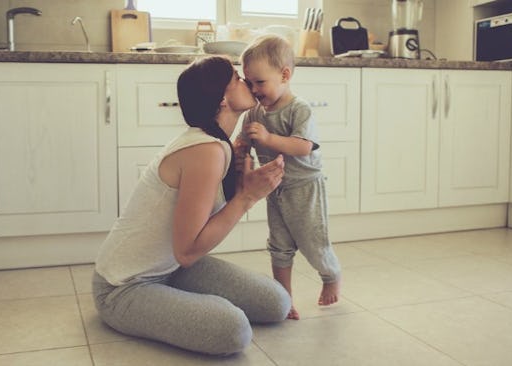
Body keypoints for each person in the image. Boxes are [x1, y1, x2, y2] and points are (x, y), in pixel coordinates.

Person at [92, 56, 291, 356]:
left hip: (171, 267)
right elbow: (188, 251)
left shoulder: (216, 144)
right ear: (223, 99)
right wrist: (246, 197)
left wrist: (239, 186)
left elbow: (186, 252)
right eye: (237, 78)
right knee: (234, 331)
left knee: (276, 302)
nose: (246, 81)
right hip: (123, 286)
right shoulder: (205, 150)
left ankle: (178, 300)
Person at [237, 34, 341, 320]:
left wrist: (269, 138)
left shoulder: (299, 109)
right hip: (276, 190)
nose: (254, 90)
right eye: (249, 83)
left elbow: (303, 146)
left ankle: (331, 275)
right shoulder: (253, 114)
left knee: (313, 242)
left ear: (284, 75)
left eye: (260, 82)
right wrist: (238, 150)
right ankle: (285, 299)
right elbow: (242, 143)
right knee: (279, 246)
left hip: (306, 188)